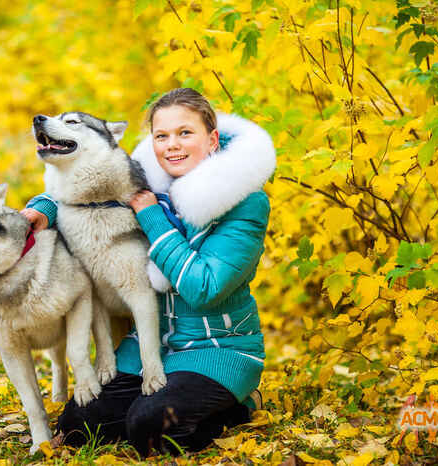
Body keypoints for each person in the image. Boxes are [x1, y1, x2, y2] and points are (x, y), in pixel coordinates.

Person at [21, 87, 276, 456]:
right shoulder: (148, 183)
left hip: (217, 349)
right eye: (162, 136)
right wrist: (44, 206)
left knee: (149, 428)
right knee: (77, 424)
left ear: (212, 138)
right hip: (149, 346)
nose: (172, 145)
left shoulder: (245, 201)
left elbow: (204, 286)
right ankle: (158, 405)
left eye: (185, 133)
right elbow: (85, 183)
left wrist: (152, 216)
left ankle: (236, 405)